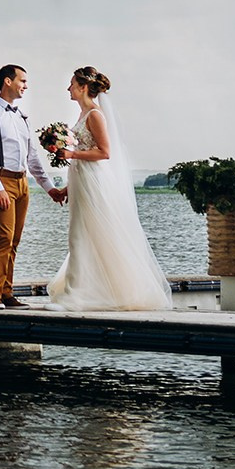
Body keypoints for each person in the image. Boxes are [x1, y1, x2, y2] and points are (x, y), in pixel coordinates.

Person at [45, 66, 174, 311]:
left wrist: (71, 153)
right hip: (81, 179)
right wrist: (67, 188)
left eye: (72, 84)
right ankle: (86, 290)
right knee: (81, 235)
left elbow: (105, 152)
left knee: (81, 236)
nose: (68, 88)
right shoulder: (84, 114)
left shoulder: (95, 114)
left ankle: (75, 297)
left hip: (94, 179)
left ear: (83, 87)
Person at [0, 64, 67, 309]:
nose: (26, 85)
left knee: (14, 240)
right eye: (22, 81)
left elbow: (33, 158)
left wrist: (50, 189)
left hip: (22, 181)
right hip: (0, 180)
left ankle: (6, 292)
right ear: (7, 81)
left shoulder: (21, 117)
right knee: (2, 237)